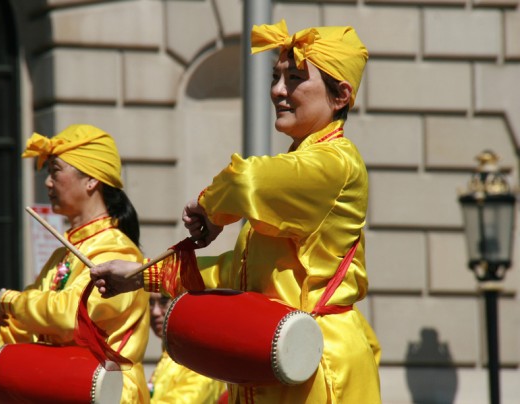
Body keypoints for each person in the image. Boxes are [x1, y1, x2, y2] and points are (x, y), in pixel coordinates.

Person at [90, 19, 381, 403]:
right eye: (276, 77)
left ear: (340, 95)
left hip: (318, 369)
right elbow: (236, 271)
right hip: (277, 362)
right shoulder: (299, 170)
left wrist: (211, 210)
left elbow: (247, 181)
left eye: (294, 78)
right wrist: (142, 275)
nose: (278, 90)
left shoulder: (335, 164)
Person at [0, 124, 151, 403]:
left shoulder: (118, 251)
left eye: (55, 170)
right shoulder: (66, 253)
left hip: (110, 396)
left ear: (91, 180)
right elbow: (17, 325)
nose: (48, 182)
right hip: (65, 390)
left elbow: (70, 315)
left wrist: (9, 301)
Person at [146, 293, 226, 403]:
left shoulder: (200, 357)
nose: (154, 312)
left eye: (164, 302)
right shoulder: (169, 354)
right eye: (150, 303)